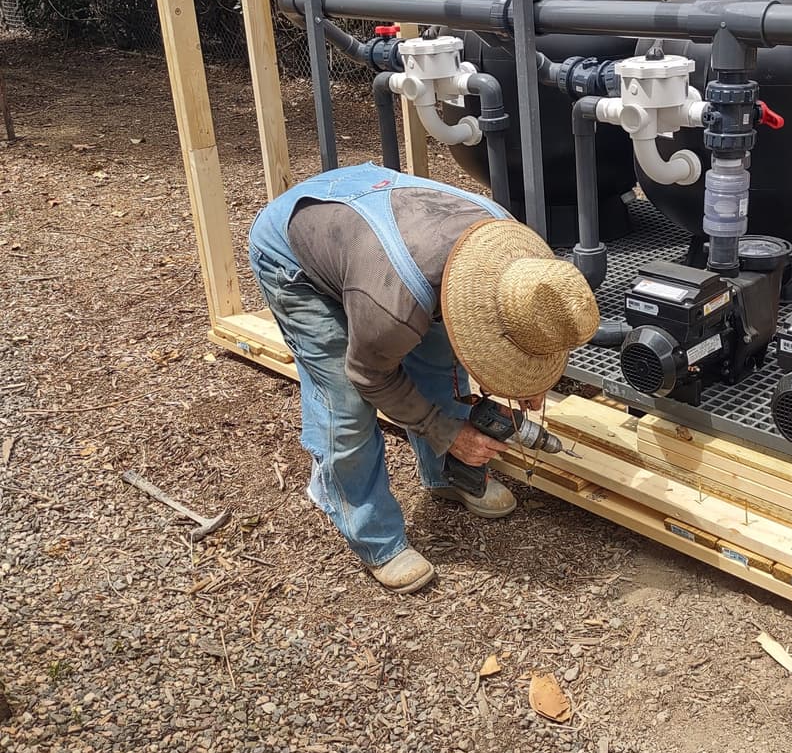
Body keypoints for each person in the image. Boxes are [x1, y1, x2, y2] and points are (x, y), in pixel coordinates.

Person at [248, 163, 599, 593]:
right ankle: (373, 534)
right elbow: (370, 376)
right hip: (294, 251)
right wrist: (445, 431)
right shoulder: (393, 310)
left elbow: (483, 336)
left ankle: (446, 476)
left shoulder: (513, 253)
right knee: (346, 404)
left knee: (439, 361)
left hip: (378, 241)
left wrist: (527, 376)